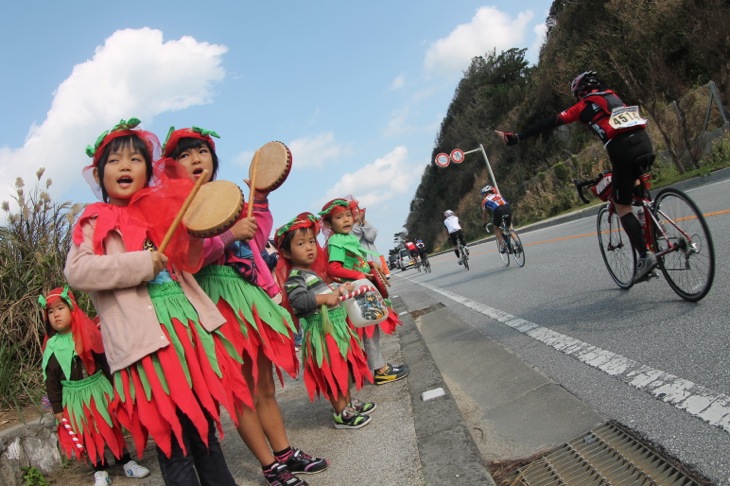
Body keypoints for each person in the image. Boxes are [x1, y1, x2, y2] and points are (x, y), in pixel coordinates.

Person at [65, 118, 240, 486]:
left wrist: (199, 231)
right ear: (99, 175)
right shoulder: (92, 220)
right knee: (173, 443)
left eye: (135, 159)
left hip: (185, 330)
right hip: (145, 344)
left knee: (205, 433)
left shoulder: (162, 212)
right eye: (114, 161)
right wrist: (140, 264)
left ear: (149, 170)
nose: (125, 166)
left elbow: (188, 261)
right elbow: (78, 272)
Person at [162, 127, 327, 486]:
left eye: (202, 153)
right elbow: (187, 258)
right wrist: (228, 235)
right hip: (216, 301)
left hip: (249, 297)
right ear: (172, 166)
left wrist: (260, 199)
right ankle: (270, 466)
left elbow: (257, 233)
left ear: (213, 160)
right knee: (241, 391)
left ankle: (284, 452)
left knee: (264, 386)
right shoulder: (177, 209)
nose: (195, 160)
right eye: (185, 155)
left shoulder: (226, 197)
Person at [496, 70, 657, 282]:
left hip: (622, 150)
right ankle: (655, 226)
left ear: (579, 92)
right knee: (639, 192)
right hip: (645, 143)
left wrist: (517, 137)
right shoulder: (613, 96)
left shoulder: (582, 106)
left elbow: (550, 122)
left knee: (622, 206)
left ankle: (646, 257)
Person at [40, 286, 150, 486]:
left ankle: (126, 461)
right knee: (88, 433)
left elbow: (105, 362)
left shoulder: (88, 334)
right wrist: (57, 408)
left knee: (110, 425)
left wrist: (115, 387)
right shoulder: (52, 347)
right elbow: (51, 381)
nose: (55, 314)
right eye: (50, 311)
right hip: (74, 398)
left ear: (72, 308)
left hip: (99, 390)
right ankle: (99, 469)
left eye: (60, 308)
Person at [274, 212, 376, 429]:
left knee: (344, 368)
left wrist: (339, 290)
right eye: (301, 244)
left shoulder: (311, 273)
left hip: (336, 330)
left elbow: (325, 295)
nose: (310, 247)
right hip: (323, 333)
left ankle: (347, 402)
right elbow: (299, 302)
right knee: (333, 372)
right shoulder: (295, 277)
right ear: (286, 252)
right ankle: (341, 413)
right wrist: (325, 297)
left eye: (312, 241)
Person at [320, 198, 409, 385]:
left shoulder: (345, 238)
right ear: (328, 223)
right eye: (339, 217)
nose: (346, 220)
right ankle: (379, 370)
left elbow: (351, 262)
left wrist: (368, 264)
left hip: (357, 291)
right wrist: (359, 275)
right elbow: (334, 269)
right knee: (369, 331)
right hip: (354, 294)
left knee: (369, 330)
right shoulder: (336, 241)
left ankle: (374, 368)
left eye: (348, 215)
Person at [350, 200, 391, 280]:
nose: (356, 211)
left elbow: (371, 236)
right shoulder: (348, 231)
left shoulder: (364, 224)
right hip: (364, 269)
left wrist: (363, 221)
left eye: (356, 209)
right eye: (352, 210)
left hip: (376, 266)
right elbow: (353, 240)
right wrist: (357, 224)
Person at [480, 185, 512, 253]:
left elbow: (484, 213)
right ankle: (517, 242)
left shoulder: (484, 200)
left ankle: (503, 247)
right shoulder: (498, 195)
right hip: (507, 208)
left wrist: (484, 222)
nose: (483, 196)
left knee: (496, 228)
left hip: (498, 211)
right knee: (509, 227)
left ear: (485, 194)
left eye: (483, 195)